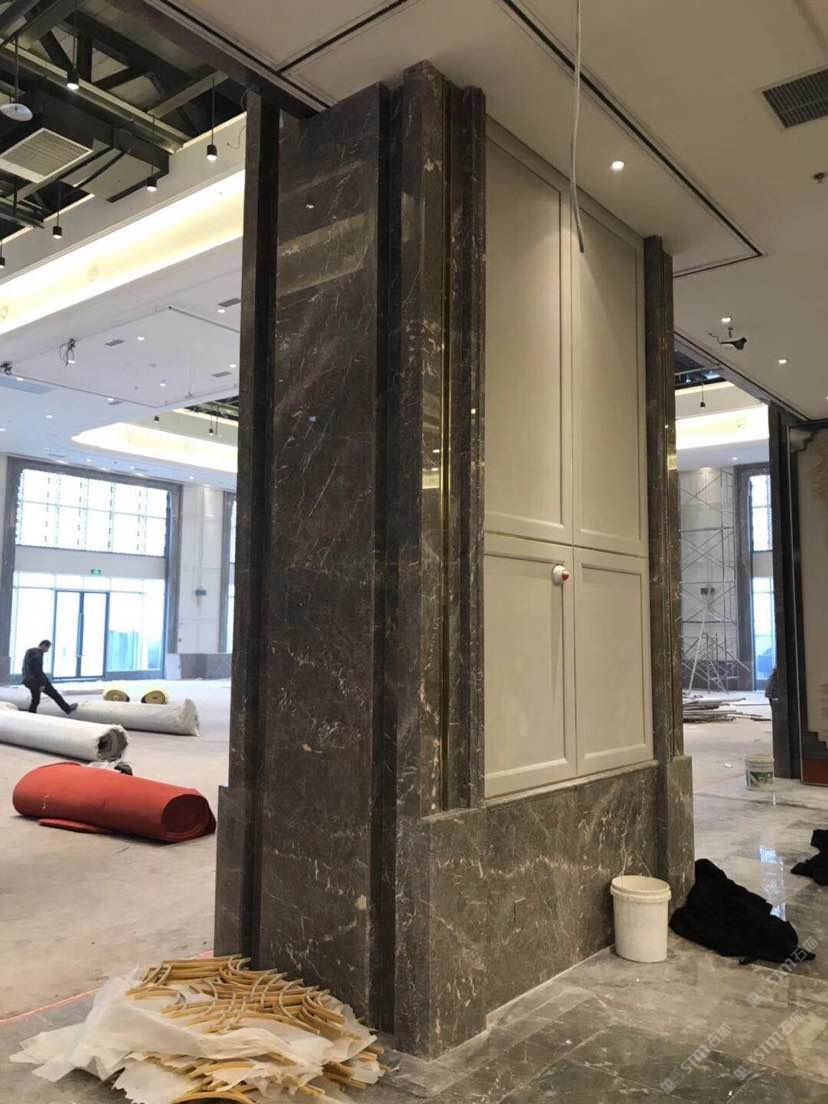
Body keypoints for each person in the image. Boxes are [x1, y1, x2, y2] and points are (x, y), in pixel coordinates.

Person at [21, 640, 77, 715]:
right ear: (43, 645)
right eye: (48, 648)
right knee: (54, 694)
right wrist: (42, 684)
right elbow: (37, 670)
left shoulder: (30, 652)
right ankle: (67, 709)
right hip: (36, 680)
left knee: (36, 699)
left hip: (28, 680)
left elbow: (27, 668)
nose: (47, 650)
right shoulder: (37, 654)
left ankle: (31, 713)